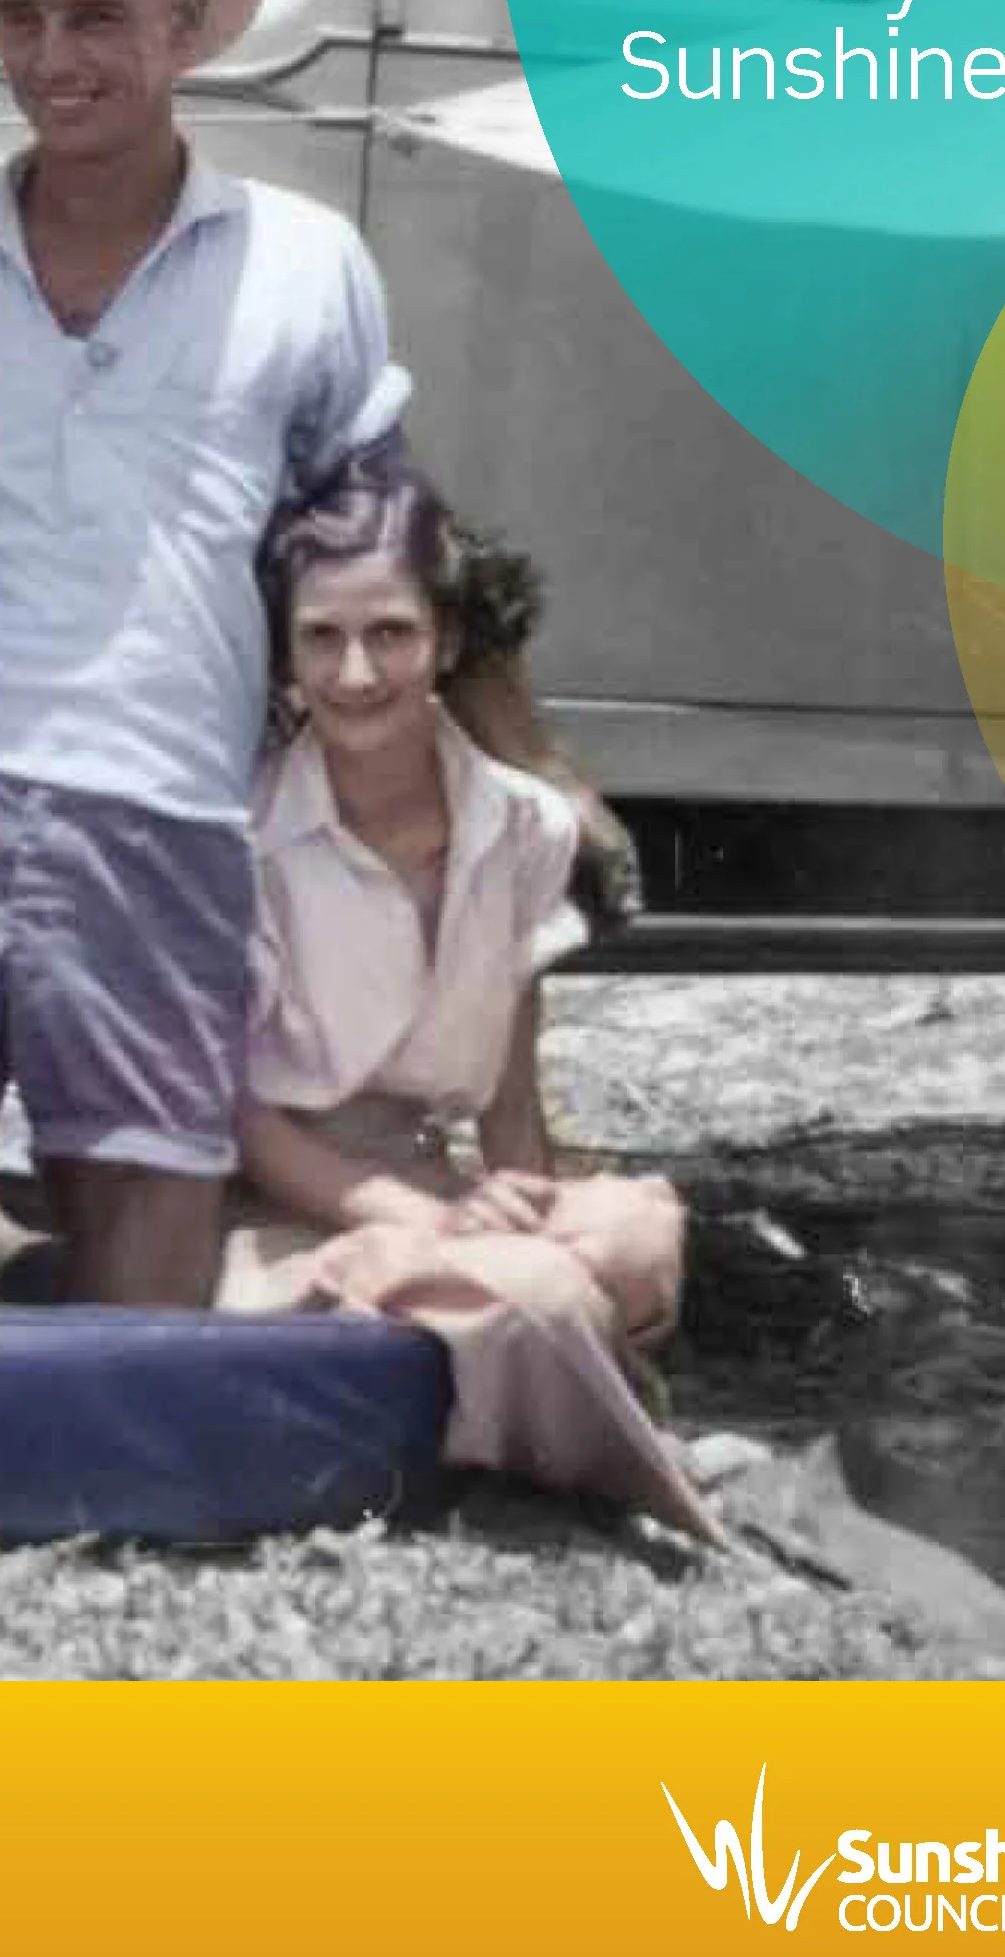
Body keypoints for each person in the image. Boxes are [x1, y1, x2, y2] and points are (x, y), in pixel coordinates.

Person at [0, 0, 413, 1310]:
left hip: (165, 808)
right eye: (19, 18)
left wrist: (507, 770)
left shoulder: (303, 259)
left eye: (99, 14)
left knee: (149, 1273)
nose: (55, 56)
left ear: (189, 23)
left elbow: (373, 531)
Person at [227, 460, 707, 1536]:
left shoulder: (528, 828)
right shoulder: (248, 838)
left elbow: (509, 1092)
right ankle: (596, 1438)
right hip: (285, 1207)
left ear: (445, 640)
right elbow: (246, 1127)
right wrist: (439, 1221)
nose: (355, 673)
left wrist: (516, 1206)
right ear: (286, 656)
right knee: (534, 1303)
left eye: (389, 634)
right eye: (321, 639)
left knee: (631, 1238)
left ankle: (497, 1360)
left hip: (426, 1178)